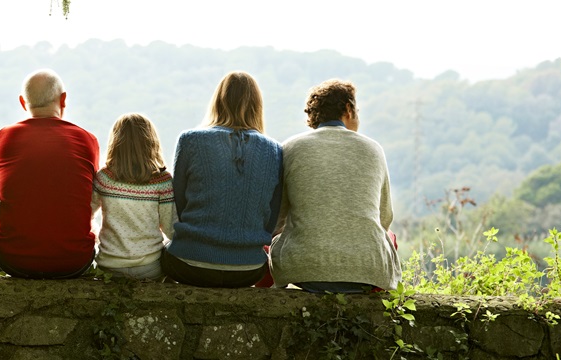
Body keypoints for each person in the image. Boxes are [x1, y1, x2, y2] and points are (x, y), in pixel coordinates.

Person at [268, 79, 400, 293]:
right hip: (368, 271)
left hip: (303, 270)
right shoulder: (374, 149)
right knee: (388, 236)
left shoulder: (290, 147)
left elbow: (278, 220)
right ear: (348, 109)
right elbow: (384, 218)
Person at [163, 71, 283, 288]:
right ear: (258, 106)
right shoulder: (273, 150)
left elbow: (179, 202)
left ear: (218, 101)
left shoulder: (190, 140)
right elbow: (271, 217)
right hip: (249, 269)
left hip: (188, 263)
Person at [0, 69, 99, 279]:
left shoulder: (0, 140)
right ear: (63, 99)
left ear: (22, 102)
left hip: (13, 261)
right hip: (75, 261)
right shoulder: (86, 140)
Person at [91, 113, 176, 280]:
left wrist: (96, 238)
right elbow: (170, 228)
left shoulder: (104, 178)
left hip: (109, 265)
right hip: (149, 267)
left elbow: (86, 214)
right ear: (151, 143)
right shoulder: (163, 181)